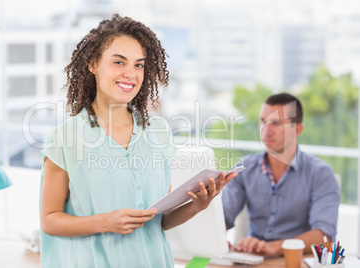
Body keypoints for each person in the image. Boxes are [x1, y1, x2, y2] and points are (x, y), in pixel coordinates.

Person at [40, 14, 236, 267]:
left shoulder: (158, 132)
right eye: (119, 62)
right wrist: (106, 222)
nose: (130, 74)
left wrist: (197, 206)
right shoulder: (66, 138)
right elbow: (49, 219)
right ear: (92, 64)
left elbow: (157, 220)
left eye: (139, 65)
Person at [221, 93, 340, 257]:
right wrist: (217, 238)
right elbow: (223, 217)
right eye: (263, 121)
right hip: (252, 258)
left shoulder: (320, 174)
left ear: (297, 129)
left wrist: (275, 247)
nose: (266, 131)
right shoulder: (243, 168)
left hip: (295, 260)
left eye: (276, 123)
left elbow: (323, 236)